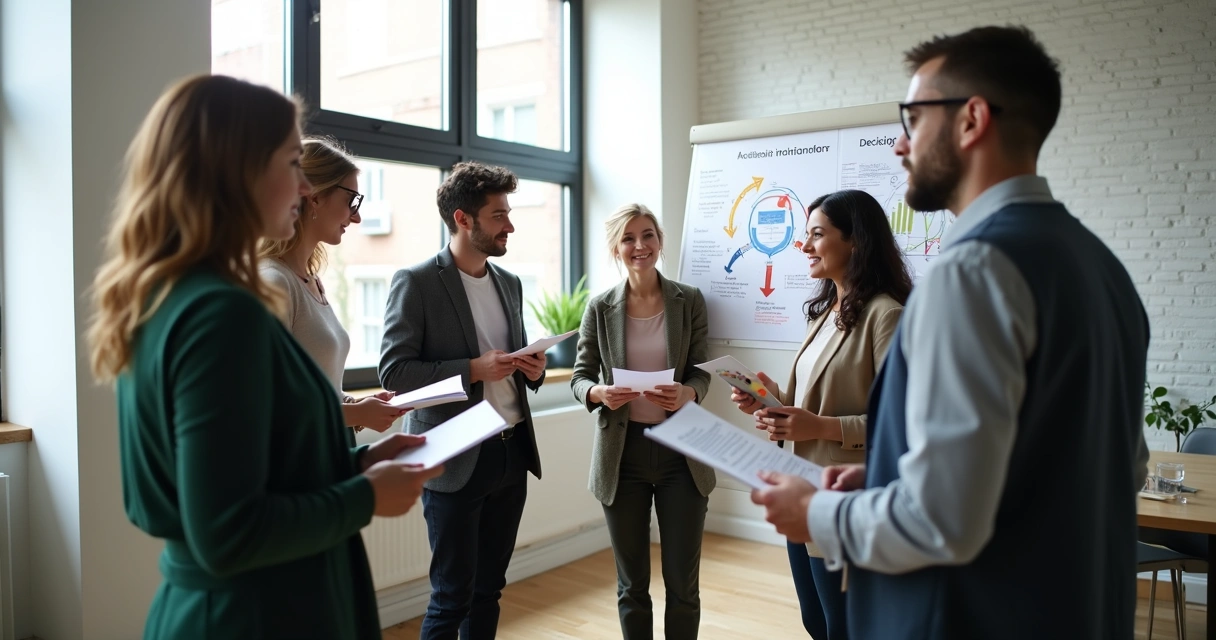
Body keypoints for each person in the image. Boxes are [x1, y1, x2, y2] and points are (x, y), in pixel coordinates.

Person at [751, 25, 1151, 639]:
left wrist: (819, 512)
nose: (900, 144)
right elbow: (1114, 467)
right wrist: (886, 476)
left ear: (971, 120)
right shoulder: (1102, 267)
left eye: (913, 119)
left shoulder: (972, 273)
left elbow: (943, 520)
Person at [87, 74, 442, 640]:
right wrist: (365, 496)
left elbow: (245, 474)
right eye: (292, 163)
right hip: (255, 613)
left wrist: (354, 466)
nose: (303, 187)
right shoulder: (222, 314)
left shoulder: (169, 298)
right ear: (237, 173)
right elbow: (228, 532)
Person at [731, 190, 910, 639]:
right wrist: (769, 398)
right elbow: (812, 400)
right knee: (815, 620)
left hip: (844, 494)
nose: (804, 246)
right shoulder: (826, 311)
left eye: (816, 234)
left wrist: (820, 427)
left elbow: (900, 424)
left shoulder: (887, 316)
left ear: (855, 241)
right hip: (801, 484)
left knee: (843, 626)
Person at [379, 161, 546, 640]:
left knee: (489, 591)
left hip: (512, 452)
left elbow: (511, 361)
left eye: (508, 213)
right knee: (451, 597)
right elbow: (395, 373)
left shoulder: (510, 282)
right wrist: (473, 369)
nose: (509, 225)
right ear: (462, 219)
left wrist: (532, 370)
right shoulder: (416, 282)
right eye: (498, 215)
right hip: (454, 458)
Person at [571, 203, 714, 640]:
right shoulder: (599, 307)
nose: (640, 245)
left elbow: (702, 370)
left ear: (660, 241)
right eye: (628, 238)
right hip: (622, 455)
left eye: (648, 235)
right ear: (616, 248)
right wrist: (598, 393)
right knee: (631, 584)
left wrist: (689, 392)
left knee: (683, 584)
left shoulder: (688, 300)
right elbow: (579, 377)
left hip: (681, 453)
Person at [259, 137, 405, 434]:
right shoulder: (275, 282)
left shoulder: (311, 280)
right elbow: (266, 404)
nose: (357, 216)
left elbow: (316, 387)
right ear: (313, 197)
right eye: (352, 200)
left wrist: (354, 404)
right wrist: (355, 414)